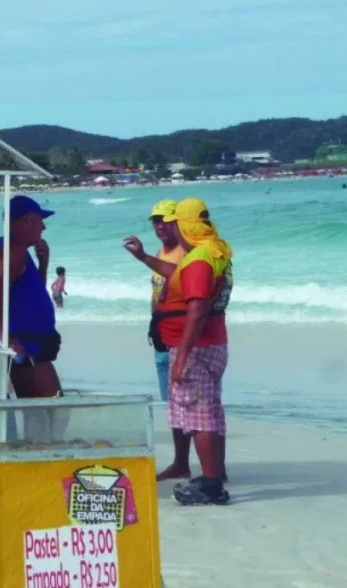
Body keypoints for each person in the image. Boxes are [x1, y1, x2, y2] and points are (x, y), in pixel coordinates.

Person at [124, 197, 233, 506]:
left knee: (198, 415)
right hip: (213, 342)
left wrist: (181, 358)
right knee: (209, 410)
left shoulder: (199, 258)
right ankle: (215, 474)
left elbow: (197, 310)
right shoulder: (216, 251)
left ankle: (211, 485)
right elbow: (177, 276)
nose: (170, 228)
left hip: (196, 347)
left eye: (174, 224)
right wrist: (144, 257)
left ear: (185, 225)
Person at [0, 196, 62, 398]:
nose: (43, 227)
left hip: (32, 346)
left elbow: (33, 294)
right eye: (40, 221)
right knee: (53, 412)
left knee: (40, 413)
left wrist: (42, 264)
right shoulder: (14, 251)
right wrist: (6, 336)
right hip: (28, 348)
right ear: (26, 221)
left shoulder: (13, 250)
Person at [137, 199, 193, 481]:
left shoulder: (186, 251)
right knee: (171, 401)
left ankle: (198, 463)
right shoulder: (164, 250)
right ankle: (180, 462)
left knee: (188, 402)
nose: (159, 226)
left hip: (180, 335)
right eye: (155, 221)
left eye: (165, 220)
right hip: (161, 333)